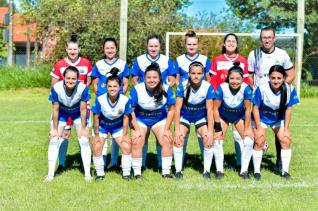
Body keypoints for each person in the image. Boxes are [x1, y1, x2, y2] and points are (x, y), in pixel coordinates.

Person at [248, 27, 295, 172]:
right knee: (257, 133)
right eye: (264, 37)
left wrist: (281, 88)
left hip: (277, 98)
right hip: (260, 99)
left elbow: (291, 73)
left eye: (269, 37)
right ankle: (252, 162)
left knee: (280, 131)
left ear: (274, 38)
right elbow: (250, 76)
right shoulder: (254, 54)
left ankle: (280, 162)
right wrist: (256, 90)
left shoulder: (282, 54)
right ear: (260, 38)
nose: (267, 39)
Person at [131, 34, 177, 169]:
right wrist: (143, 90)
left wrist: (164, 87)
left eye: (156, 46)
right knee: (141, 139)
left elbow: (172, 78)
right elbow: (134, 77)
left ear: (160, 47)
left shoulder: (166, 60)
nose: (153, 48)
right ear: (147, 46)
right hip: (142, 108)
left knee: (163, 138)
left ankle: (163, 166)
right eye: (151, 46)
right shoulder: (139, 60)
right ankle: (141, 166)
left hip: (159, 104)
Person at [50, 33, 92, 173]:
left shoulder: (86, 63)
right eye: (70, 49)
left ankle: (83, 165)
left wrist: (84, 99)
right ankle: (61, 164)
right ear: (66, 50)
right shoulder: (60, 64)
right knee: (63, 135)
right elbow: (55, 84)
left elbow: (88, 82)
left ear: (79, 49)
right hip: (64, 106)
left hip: (80, 105)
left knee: (83, 136)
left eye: (75, 49)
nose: (72, 51)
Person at [210, 33, 250, 170]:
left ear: (237, 44)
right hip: (221, 104)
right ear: (224, 44)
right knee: (218, 136)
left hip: (238, 104)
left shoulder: (243, 61)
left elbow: (245, 83)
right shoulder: (217, 60)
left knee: (239, 135)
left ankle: (240, 164)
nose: (231, 43)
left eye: (234, 41)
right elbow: (213, 81)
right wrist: (216, 97)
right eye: (228, 41)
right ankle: (218, 167)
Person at [252, 65, 299, 180]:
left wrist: (286, 129)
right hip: (261, 118)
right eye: (273, 78)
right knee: (259, 141)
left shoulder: (290, 89)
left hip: (277, 119)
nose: (276, 81)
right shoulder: (262, 88)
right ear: (269, 78)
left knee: (285, 140)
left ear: (284, 78)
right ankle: (257, 172)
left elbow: (288, 109)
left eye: (279, 78)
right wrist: (258, 128)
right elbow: (255, 108)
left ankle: (285, 172)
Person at [91, 67, 139, 181]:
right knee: (97, 146)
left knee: (126, 146)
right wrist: (97, 135)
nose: (112, 89)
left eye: (115, 86)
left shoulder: (125, 100)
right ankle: (100, 174)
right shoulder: (100, 99)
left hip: (117, 126)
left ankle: (126, 173)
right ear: (106, 87)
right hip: (102, 126)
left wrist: (124, 134)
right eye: (110, 86)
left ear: (120, 87)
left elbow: (126, 117)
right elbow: (96, 117)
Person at [46, 66, 92, 182]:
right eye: (68, 78)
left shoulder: (82, 88)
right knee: (54, 140)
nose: (70, 81)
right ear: (63, 78)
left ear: (78, 79)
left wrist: (83, 128)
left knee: (84, 140)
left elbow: (82, 110)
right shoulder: (56, 88)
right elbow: (55, 110)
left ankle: (87, 174)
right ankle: (50, 175)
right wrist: (55, 129)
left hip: (77, 113)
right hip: (62, 112)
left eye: (73, 79)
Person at [91, 37, 130, 171]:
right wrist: (100, 96)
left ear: (116, 48)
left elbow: (125, 83)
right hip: (103, 104)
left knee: (116, 133)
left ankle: (114, 163)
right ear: (103, 49)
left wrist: (119, 96)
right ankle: (102, 163)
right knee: (102, 132)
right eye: (107, 48)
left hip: (116, 102)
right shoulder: (98, 64)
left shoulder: (122, 64)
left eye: (112, 48)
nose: (110, 50)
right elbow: (95, 83)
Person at [174, 29, 211, 164]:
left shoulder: (205, 60)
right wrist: (184, 92)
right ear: (185, 44)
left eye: (194, 44)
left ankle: (204, 160)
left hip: (200, 102)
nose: (192, 46)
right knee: (183, 133)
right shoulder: (179, 60)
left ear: (198, 45)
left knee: (203, 133)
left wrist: (200, 93)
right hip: (185, 100)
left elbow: (208, 79)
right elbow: (177, 79)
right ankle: (180, 162)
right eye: (189, 44)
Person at [174, 61, 214, 180]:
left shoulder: (208, 87)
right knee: (179, 138)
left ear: (203, 74)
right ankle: (178, 171)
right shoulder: (183, 85)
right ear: (188, 74)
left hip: (200, 117)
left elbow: (210, 110)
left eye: (199, 73)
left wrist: (210, 131)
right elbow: (177, 109)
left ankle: (206, 171)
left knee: (207, 138)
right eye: (193, 73)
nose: (196, 76)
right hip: (185, 116)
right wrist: (176, 130)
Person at [213, 62, 253, 179]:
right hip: (223, 116)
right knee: (218, 140)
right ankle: (219, 171)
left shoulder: (246, 89)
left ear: (242, 79)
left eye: (238, 79)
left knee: (249, 141)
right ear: (228, 79)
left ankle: (244, 171)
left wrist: (247, 129)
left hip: (238, 117)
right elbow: (215, 109)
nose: (234, 81)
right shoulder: (222, 88)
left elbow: (247, 109)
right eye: (232, 78)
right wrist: (217, 127)